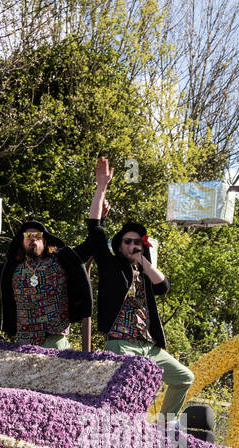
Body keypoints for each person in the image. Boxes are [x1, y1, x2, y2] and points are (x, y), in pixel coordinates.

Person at [76, 156, 194, 417]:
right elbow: (95, 228)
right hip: (122, 344)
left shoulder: (144, 272)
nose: (133, 246)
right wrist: (101, 187)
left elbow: (163, 286)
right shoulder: (111, 265)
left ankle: (165, 426)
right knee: (131, 389)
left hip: (149, 346)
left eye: (137, 242)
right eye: (128, 242)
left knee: (184, 378)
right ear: (119, 246)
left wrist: (143, 260)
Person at [0, 220, 93, 350]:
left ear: (45, 240)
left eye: (37, 235)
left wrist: (99, 220)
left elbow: (90, 245)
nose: (32, 238)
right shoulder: (12, 269)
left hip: (54, 339)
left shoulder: (60, 260)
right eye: (28, 236)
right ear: (22, 242)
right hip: (24, 342)